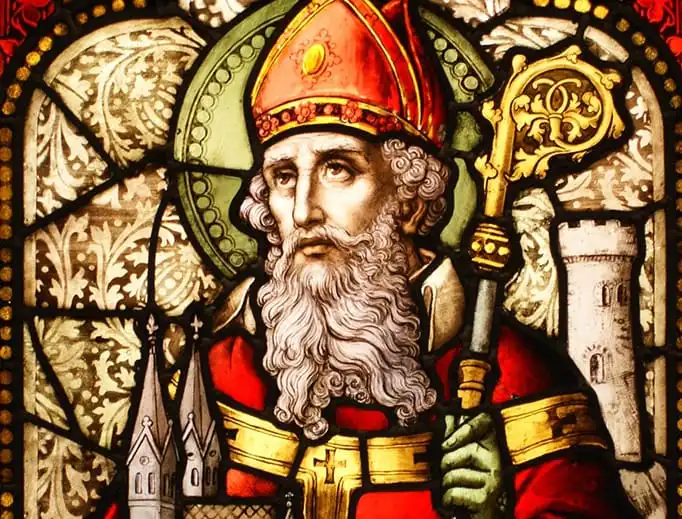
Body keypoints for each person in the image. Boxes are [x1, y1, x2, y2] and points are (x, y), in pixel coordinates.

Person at [207, 0, 640, 517]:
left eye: (338, 170)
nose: (302, 212)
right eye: (283, 177)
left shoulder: (516, 377)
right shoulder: (223, 371)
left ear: (410, 202)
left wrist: (498, 514)